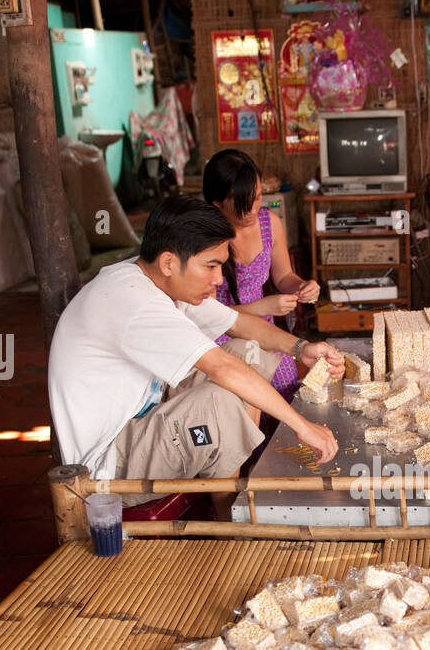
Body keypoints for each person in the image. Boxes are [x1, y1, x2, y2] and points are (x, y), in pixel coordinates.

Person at [48, 195, 343, 518]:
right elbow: (220, 368)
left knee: (246, 352)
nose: (218, 279)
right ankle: (227, 512)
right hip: (108, 466)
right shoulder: (135, 301)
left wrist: (303, 349)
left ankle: (230, 480)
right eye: (211, 266)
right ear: (169, 263)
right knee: (222, 400)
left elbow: (240, 324)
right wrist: (304, 427)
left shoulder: (154, 279)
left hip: (144, 421)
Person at [203, 149, 320, 411]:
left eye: (257, 198)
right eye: (242, 203)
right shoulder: (205, 240)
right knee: (248, 395)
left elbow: (284, 276)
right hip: (219, 335)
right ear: (217, 203)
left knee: (287, 382)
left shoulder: (270, 223)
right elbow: (207, 315)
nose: (253, 209)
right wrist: (263, 307)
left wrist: (302, 286)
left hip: (264, 329)